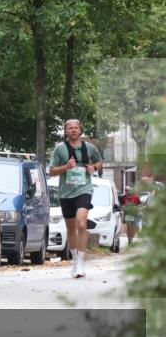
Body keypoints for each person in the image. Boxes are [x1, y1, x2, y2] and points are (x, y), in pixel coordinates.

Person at [48, 119, 103, 278]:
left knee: (81, 223)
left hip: (84, 189)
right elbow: (51, 171)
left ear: (80, 131)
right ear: (66, 131)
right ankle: (74, 260)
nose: (73, 130)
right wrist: (66, 167)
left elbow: (99, 162)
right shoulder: (60, 149)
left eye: (76, 128)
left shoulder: (90, 148)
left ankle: (81, 262)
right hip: (66, 192)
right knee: (71, 228)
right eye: (70, 128)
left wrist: (94, 167)